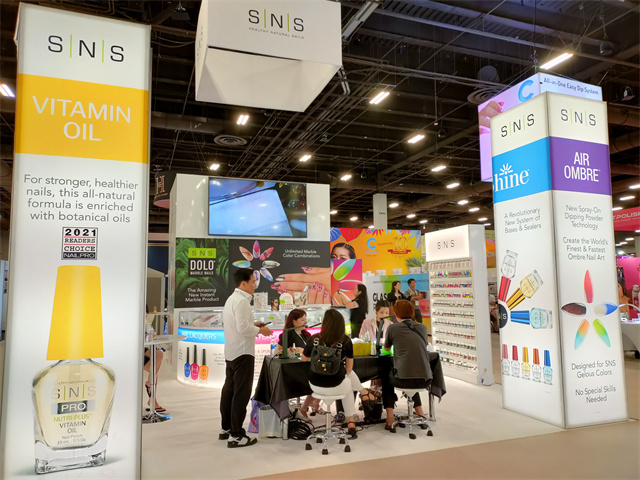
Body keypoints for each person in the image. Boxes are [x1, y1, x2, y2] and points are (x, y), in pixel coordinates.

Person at [301, 309, 375, 437]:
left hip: (315, 386)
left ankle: (363, 393)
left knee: (347, 382)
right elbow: (349, 369)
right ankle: (351, 420)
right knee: (347, 384)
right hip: (336, 387)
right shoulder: (345, 341)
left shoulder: (314, 339)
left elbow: (303, 358)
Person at [220, 268, 272, 448]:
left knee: (229, 391)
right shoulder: (242, 302)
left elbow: (239, 325)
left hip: (232, 351)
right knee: (241, 394)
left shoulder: (232, 299)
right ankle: (236, 434)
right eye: (252, 281)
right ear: (243, 283)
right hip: (243, 353)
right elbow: (243, 329)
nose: (255, 285)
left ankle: (226, 428)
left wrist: (253, 324)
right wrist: (261, 330)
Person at [381, 300, 432, 432]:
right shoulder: (422, 327)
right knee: (412, 370)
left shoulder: (393, 328)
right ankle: (420, 413)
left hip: (403, 379)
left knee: (386, 375)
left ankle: (390, 416)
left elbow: (386, 349)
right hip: (425, 379)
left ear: (396, 314)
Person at [143, 305, 164, 412]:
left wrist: (151, 334)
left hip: (141, 349)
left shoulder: (144, 321)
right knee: (155, 366)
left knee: (158, 357)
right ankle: (152, 399)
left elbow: (152, 333)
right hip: (131, 351)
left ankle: (150, 386)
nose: (145, 316)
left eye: (146, 314)